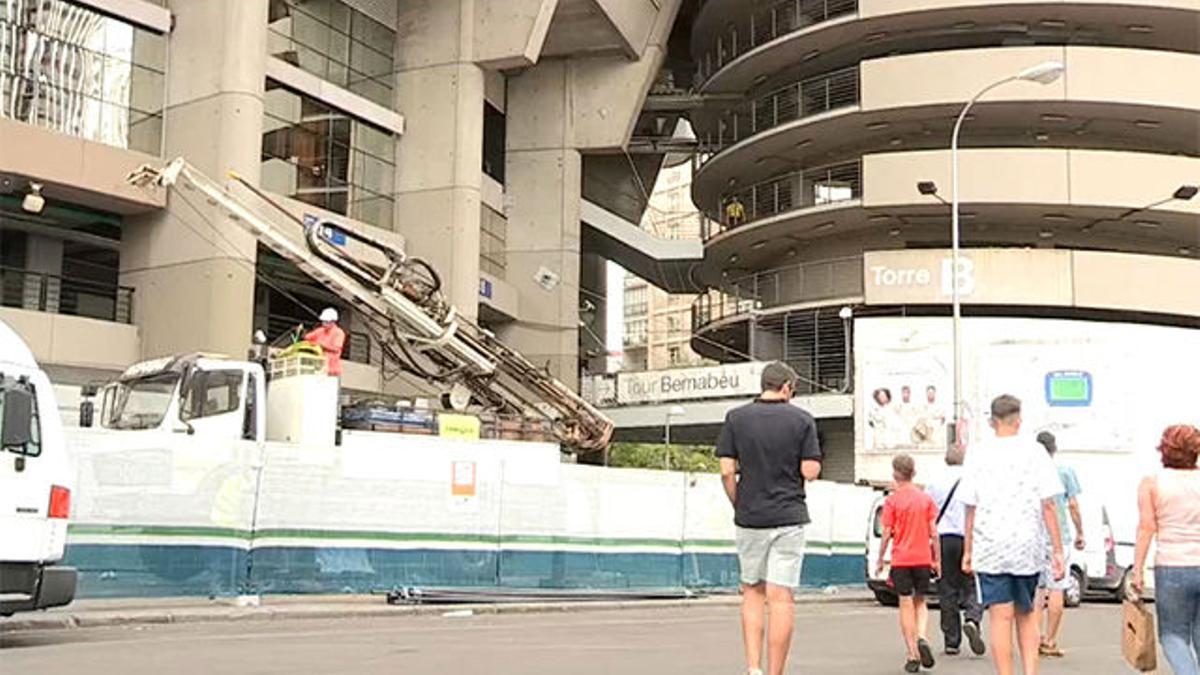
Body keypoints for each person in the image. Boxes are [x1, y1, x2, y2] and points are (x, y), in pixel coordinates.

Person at [718, 361, 822, 675]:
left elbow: (726, 471)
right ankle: (776, 672)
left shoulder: (736, 418)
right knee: (781, 596)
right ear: (787, 386)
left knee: (752, 590)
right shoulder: (802, 420)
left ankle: (753, 668)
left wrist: (740, 503)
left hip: (750, 517)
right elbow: (810, 472)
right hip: (789, 516)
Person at [960, 394, 1065, 675]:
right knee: (1028, 613)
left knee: (1000, 616)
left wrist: (968, 550)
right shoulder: (1035, 452)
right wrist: (1057, 551)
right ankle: (1031, 672)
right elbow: (1049, 504)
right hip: (1027, 544)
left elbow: (970, 505)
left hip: (991, 544)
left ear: (992, 421)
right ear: (1019, 419)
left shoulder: (978, 452)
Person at [1132, 424, 1200, 675]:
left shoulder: (1151, 483)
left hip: (1172, 566)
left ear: (1164, 450)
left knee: (1173, 635)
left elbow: (1147, 527)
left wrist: (1137, 570)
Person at [875, 454, 940, 673]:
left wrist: (880, 557)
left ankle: (912, 652)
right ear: (914, 473)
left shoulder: (892, 501)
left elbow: (886, 533)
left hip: (901, 559)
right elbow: (934, 533)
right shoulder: (925, 499)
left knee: (905, 604)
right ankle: (922, 636)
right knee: (921, 602)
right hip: (923, 558)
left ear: (895, 474)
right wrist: (937, 559)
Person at [927, 448, 985, 658]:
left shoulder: (934, 482)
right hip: (967, 537)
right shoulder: (972, 480)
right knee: (972, 583)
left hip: (942, 538)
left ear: (945, 459)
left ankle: (952, 641)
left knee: (947, 588)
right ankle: (972, 617)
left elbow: (929, 512)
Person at [1033, 431, 1085, 658]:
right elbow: (1073, 505)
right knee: (1056, 588)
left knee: (1037, 590)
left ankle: (1032, 638)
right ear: (1054, 449)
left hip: (1034, 535)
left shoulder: (1029, 473)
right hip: (1059, 536)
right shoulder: (1064, 472)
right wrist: (1080, 531)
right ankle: (1050, 639)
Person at [304, 307, 346, 377]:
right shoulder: (320, 330)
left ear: (333, 322)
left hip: (331, 370)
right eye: (323, 321)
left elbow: (336, 349)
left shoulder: (338, 332)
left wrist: (320, 345)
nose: (324, 324)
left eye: (326, 322)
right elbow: (307, 338)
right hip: (318, 367)